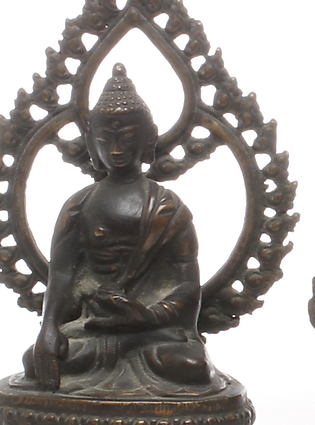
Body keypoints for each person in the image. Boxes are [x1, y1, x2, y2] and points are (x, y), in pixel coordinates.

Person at [23, 64, 216, 396]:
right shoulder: (79, 205)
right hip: (93, 328)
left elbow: (187, 286)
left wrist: (148, 316)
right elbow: (62, 275)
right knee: (34, 360)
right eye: (105, 140)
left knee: (191, 366)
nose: (116, 150)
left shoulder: (168, 208)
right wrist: (49, 329)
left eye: (127, 140)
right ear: (91, 144)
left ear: (147, 139)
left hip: (152, 333)